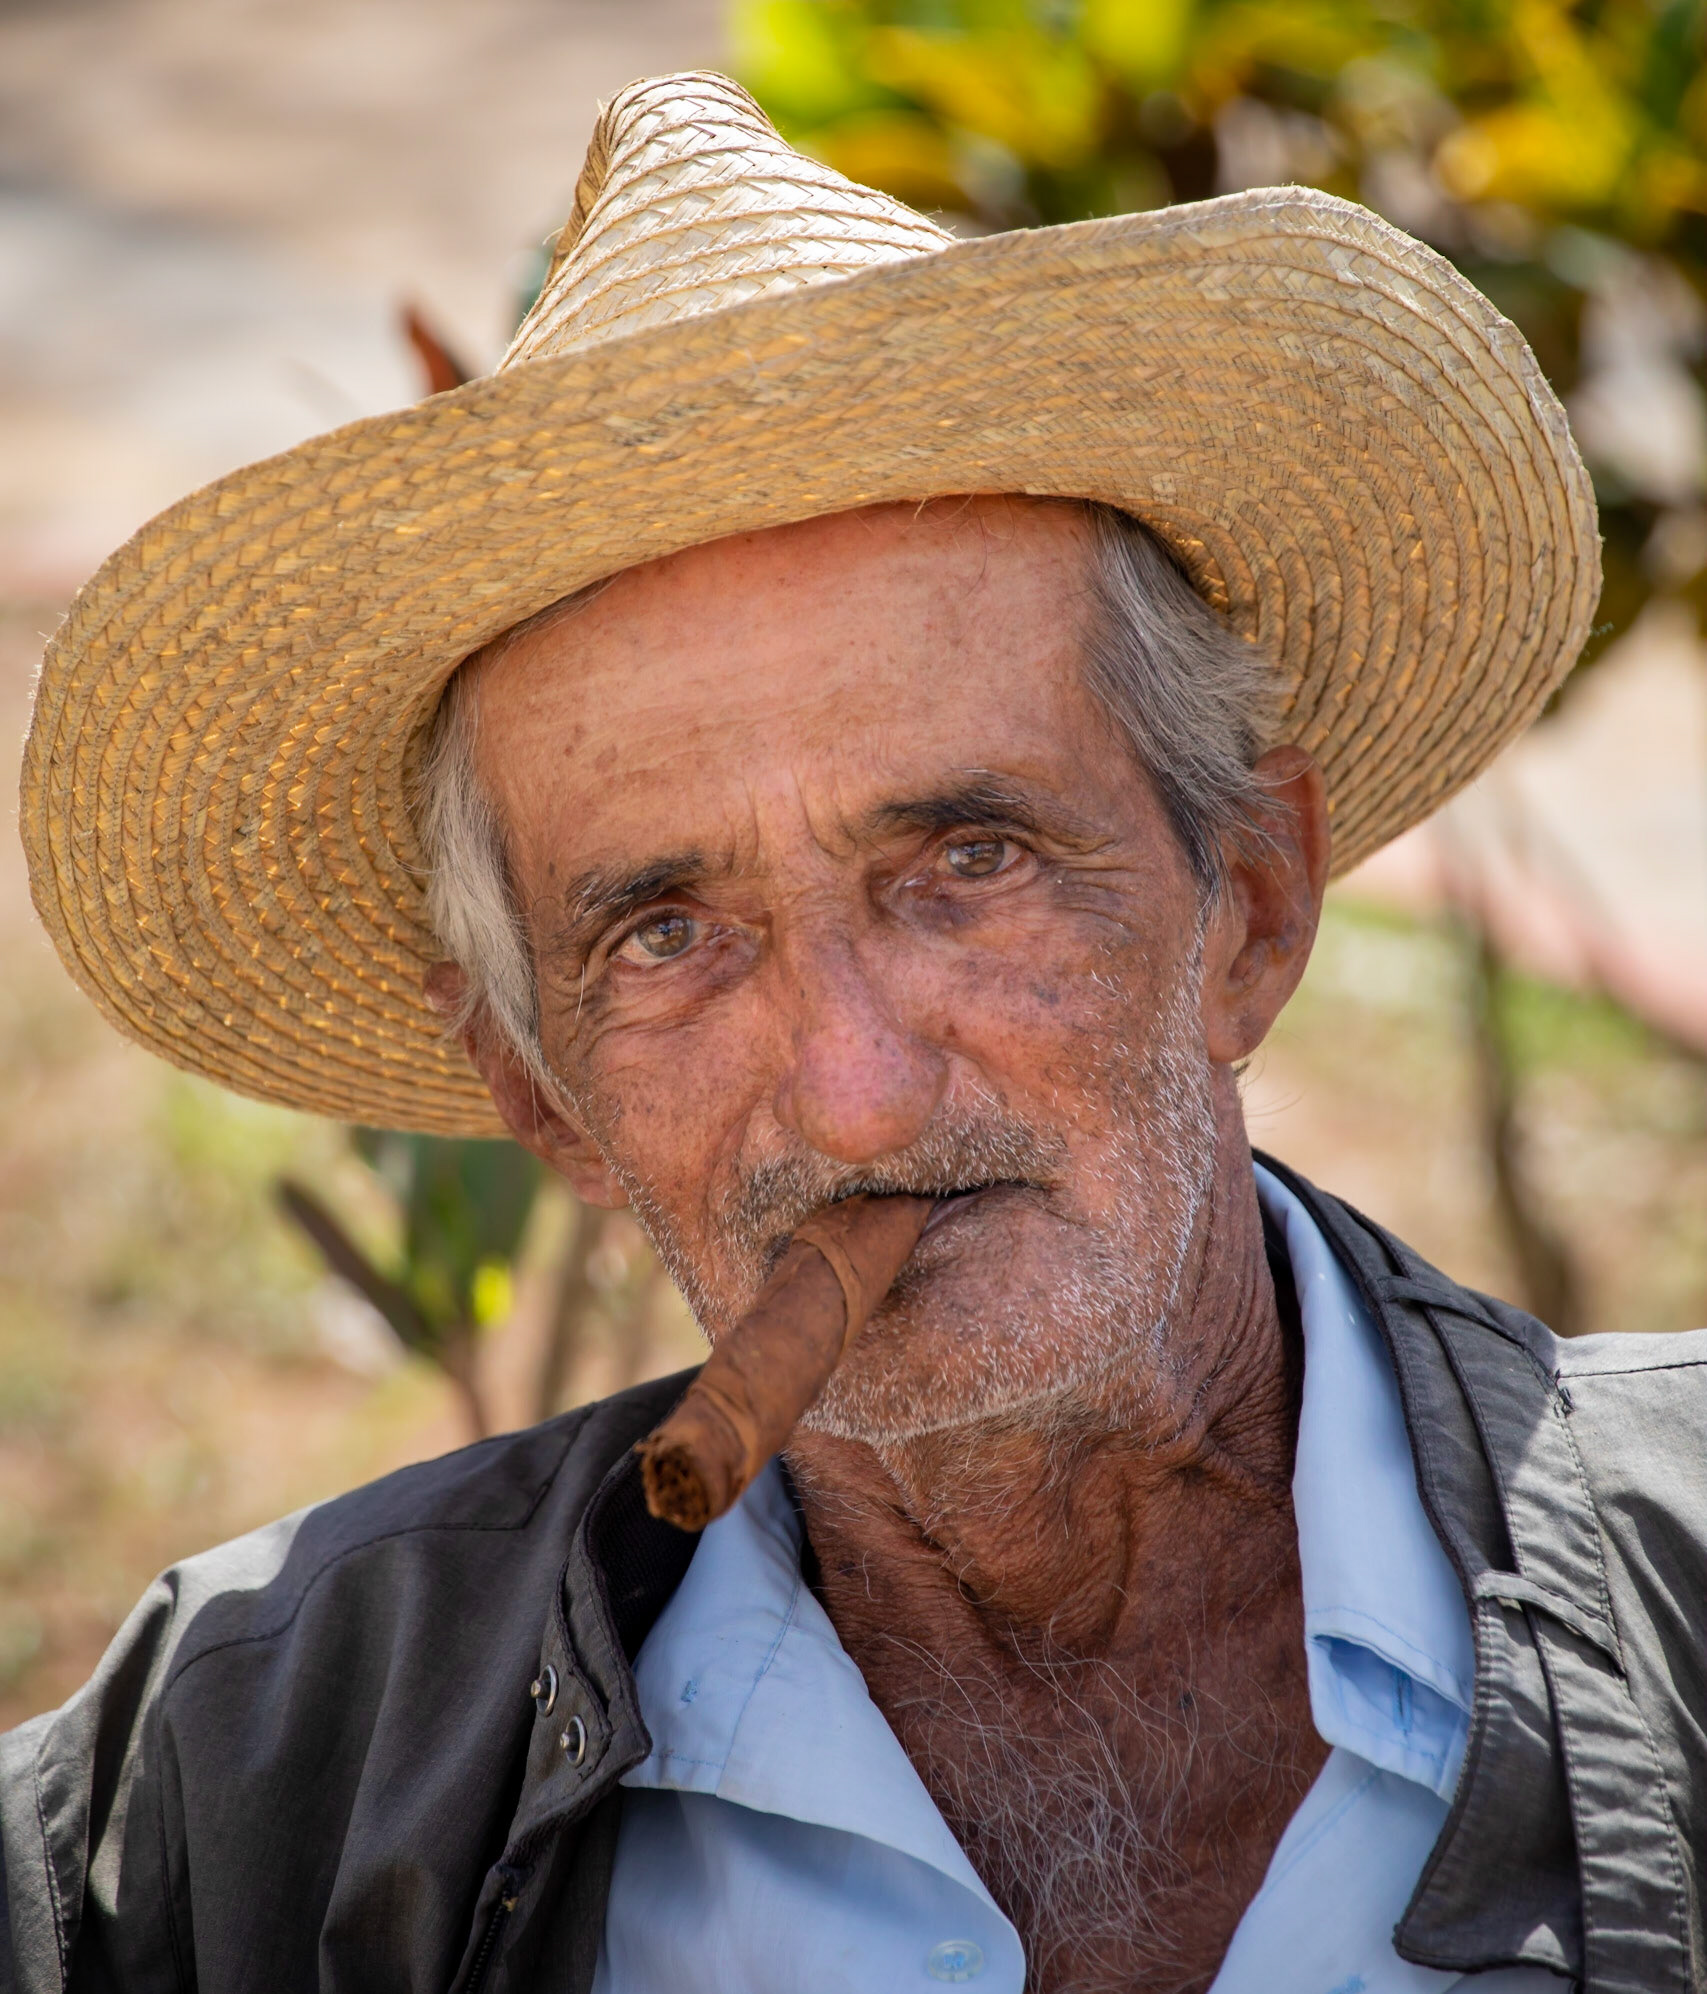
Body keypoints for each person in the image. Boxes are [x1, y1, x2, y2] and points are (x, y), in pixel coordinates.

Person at [10, 68, 1702, 1994]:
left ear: (1250, 901)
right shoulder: (231, 1783)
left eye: (971, 860)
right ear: (540, 1091)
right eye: (668, 935)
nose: (859, 1094)